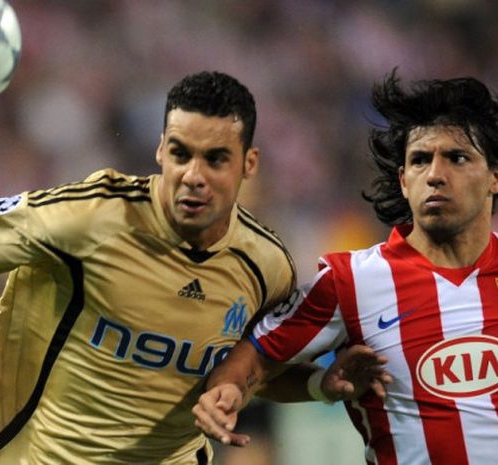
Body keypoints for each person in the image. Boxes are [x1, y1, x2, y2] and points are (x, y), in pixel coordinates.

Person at [0, 71, 385, 465]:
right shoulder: (87, 218)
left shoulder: (268, 267)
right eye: (179, 153)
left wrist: (313, 385)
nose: (193, 174)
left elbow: (243, 374)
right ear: (160, 150)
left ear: (248, 163)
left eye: (216, 158)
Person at [193, 70, 498, 465]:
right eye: (420, 161)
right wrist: (229, 391)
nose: (436, 175)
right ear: (404, 181)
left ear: (494, 176)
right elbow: (253, 356)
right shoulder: (351, 280)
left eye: (457, 158)